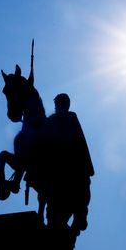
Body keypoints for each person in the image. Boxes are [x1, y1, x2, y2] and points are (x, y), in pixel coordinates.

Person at [46, 93, 94, 237]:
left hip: (71, 163)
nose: (56, 108)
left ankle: (81, 212)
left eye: (58, 105)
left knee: (80, 189)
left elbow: (78, 140)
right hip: (56, 162)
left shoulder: (71, 117)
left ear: (64, 105)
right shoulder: (51, 119)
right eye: (55, 105)